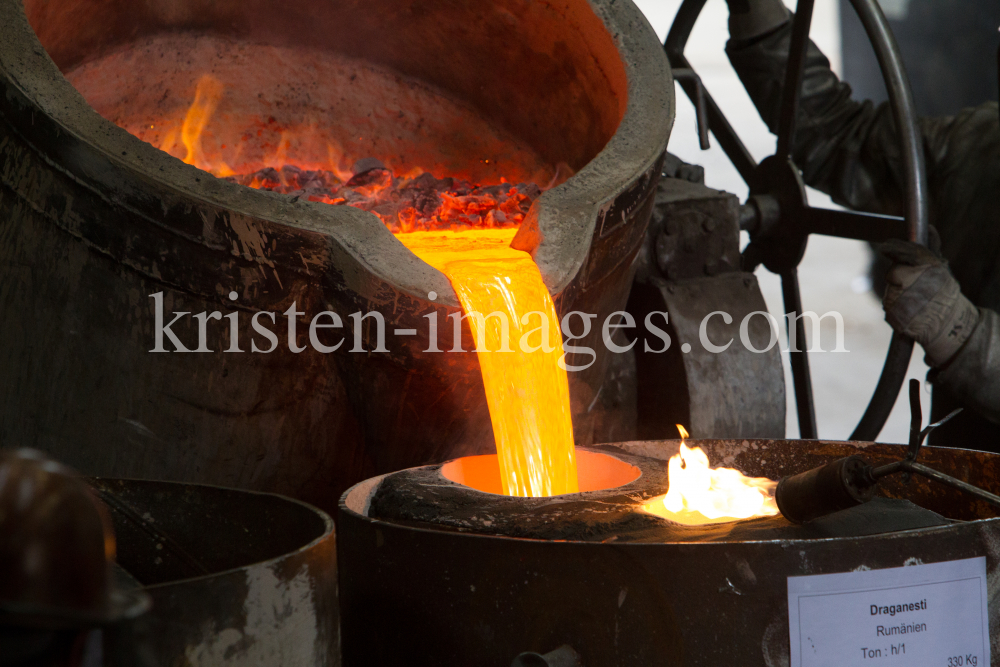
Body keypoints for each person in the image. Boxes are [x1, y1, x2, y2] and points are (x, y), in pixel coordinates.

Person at [722, 0, 1000, 446]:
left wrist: (961, 333)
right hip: (966, 490)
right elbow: (838, 139)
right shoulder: (982, 146)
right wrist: (759, 20)